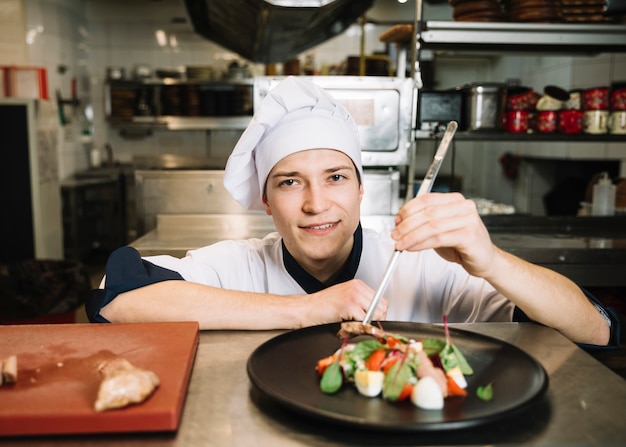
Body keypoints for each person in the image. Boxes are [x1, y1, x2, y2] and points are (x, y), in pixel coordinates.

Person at [86, 76, 618, 349]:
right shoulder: (237, 267)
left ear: (363, 190)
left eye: (336, 177)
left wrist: (491, 261)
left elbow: (598, 329)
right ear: (267, 201)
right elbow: (117, 298)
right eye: (290, 183)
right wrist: (309, 309)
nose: (316, 204)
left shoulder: (423, 267)